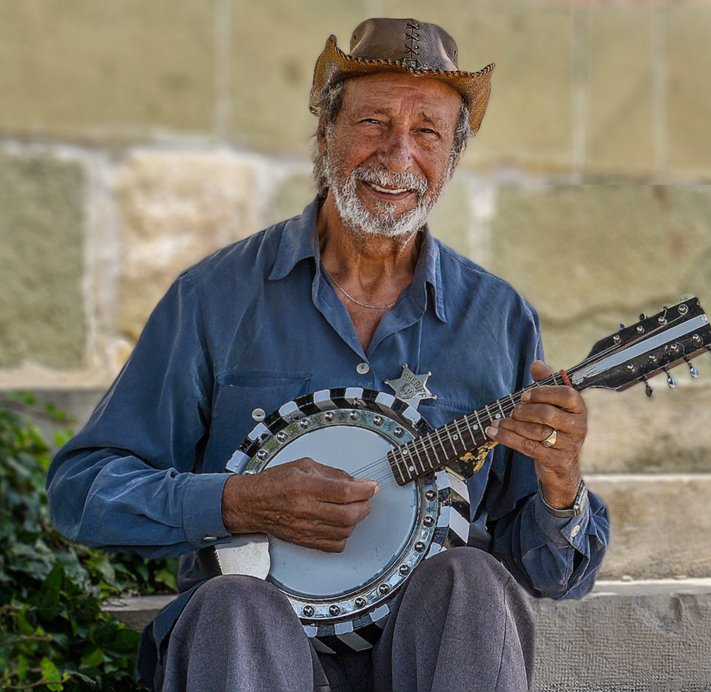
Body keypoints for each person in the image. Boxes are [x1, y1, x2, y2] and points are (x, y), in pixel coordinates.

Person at [47, 17, 609, 691]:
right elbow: (82, 492)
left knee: (473, 578)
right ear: (324, 137)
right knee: (233, 604)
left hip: (430, 654)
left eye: (427, 131)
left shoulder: (497, 318)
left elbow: (553, 573)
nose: (397, 154)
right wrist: (237, 502)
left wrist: (561, 486)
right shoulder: (216, 298)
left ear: (452, 159)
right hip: (253, 649)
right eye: (373, 122)